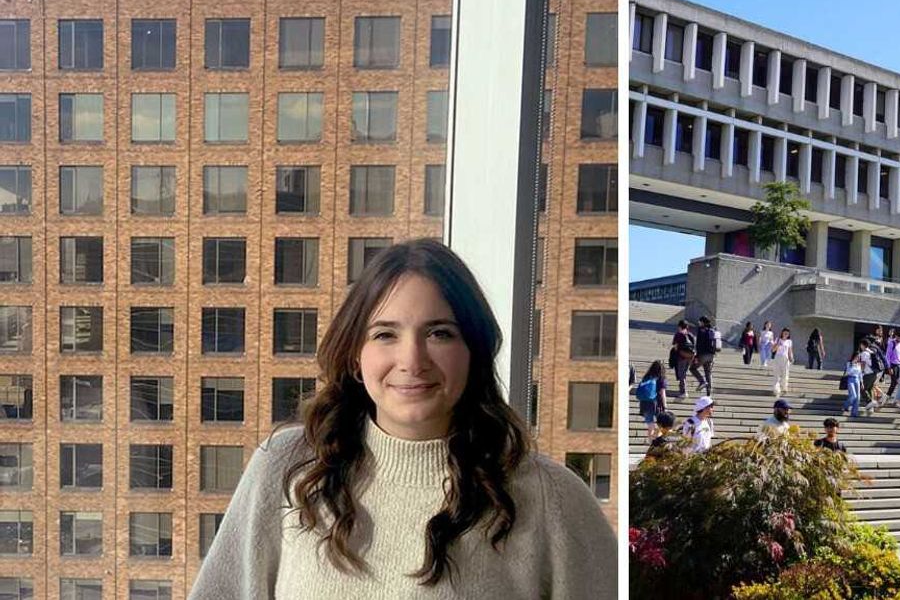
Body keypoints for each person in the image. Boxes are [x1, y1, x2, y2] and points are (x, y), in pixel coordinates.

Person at [190, 239, 615, 598]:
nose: (412, 360)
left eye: (440, 333)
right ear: (356, 355)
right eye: (385, 334)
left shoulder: (549, 498)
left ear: (474, 352)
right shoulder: (287, 467)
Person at [635, 360, 667, 440]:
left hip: (645, 403)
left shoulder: (646, 377)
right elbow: (662, 392)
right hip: (657, 404)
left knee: (650, 425)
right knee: (662, 424)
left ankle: (651, 441)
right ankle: (658, 442)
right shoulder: (661, 378)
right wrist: (665, 405)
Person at [693, 316, 718, 396]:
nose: (699, 323)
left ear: (703, 322)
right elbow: (714, 344)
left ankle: (702, 381)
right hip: (711, 355)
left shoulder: (701, 330)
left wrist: (696, 356)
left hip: (703, 354)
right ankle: (709, 393)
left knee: (692, 368)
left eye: (700, 322)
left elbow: (699, 344)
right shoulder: (712, 330)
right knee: (708, 372)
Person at [842, 344, 865, 418]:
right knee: (853, 395)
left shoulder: (859, 365)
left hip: (857, 380)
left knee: (858, 397)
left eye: (859, 357)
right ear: (854, 356)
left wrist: (862, 383)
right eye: (857, 356)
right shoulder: (849, 363)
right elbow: (847, 373)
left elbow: (860, 374)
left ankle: (854, 413)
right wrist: (852, 363)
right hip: (850, 379)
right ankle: (846, 405)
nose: (858, 358)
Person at [772, 327, 794, 397]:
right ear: (782, 333)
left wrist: (791, 358)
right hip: (778, 357)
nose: (786, 334)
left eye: (787, 333)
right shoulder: (778, 339)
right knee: (777, 374)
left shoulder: (789, 341)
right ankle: (776, 390)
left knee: (785, 374)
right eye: (785, 333)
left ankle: (784, 387)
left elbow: (789, 351)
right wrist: (778, 344)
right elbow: (773, 350)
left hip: (785, 359)